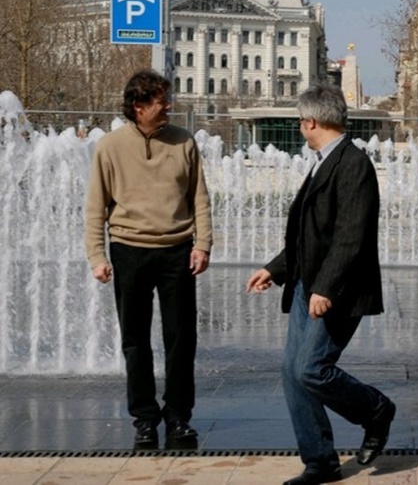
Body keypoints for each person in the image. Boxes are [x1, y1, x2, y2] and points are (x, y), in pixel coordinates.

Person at [246, 83, 395, 485]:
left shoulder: (353, 165)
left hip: (336, 290)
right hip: (304, 285)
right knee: (292, 372)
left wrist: (325, 287)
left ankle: (376, 411)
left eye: (300, 120)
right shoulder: (321, 161)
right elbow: (308, 235)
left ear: (311, 121)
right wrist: (275, 269)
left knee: (312, 369)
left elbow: (351, 235)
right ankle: (320, 460)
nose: (299, 127)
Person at [85, 69, 212, 447]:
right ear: (138, 107)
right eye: (160, 100)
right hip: (128, 251)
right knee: (135, 340)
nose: (168, 105)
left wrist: (202, 243)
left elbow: (199, 199)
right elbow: (95, 206)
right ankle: (144, 418)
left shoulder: (184, 142)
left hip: (177, 252)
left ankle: (178, 417)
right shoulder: (109, 146)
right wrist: (97, 255)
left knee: (180, 339)